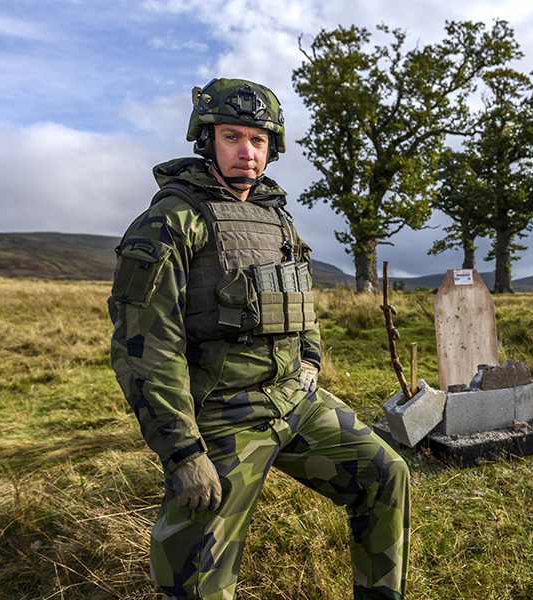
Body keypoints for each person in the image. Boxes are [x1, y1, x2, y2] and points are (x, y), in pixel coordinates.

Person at [108, 78, 409, 600]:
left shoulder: (278, 218)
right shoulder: (171, 221)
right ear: (206, 140)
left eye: (258, 140)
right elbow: (146, 350)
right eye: (232, 137)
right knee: (196, 576)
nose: (247, 153)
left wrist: (310, 361)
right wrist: (183, 453)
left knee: (386, 475)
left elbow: (300, 304)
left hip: (295, 399)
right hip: (225, 413)